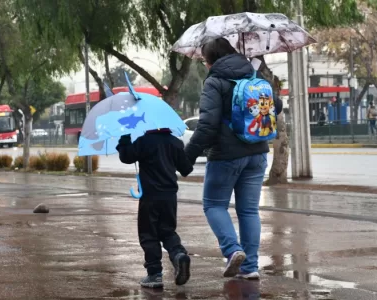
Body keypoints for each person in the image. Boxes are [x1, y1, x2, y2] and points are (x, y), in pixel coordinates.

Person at [185, 38, 283, 280]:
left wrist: (185, 157)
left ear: (211, 61)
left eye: (205, 61)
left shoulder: (215, 82)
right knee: (249, 211)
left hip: (226, 156)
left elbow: (207, 126)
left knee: (214, 205)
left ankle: (232, 250)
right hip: (257, 152)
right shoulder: (254, 74)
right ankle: (250, 267)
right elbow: (276, 106)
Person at [116, 129, 193, 289]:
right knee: (168, 231)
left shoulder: (144, 141)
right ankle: (178, 254)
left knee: (148, 234)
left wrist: (124, 139)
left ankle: (154, 274)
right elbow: (186, 169)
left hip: (150, 196)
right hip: (170, 197)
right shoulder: (174, 142)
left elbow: (126, 157)